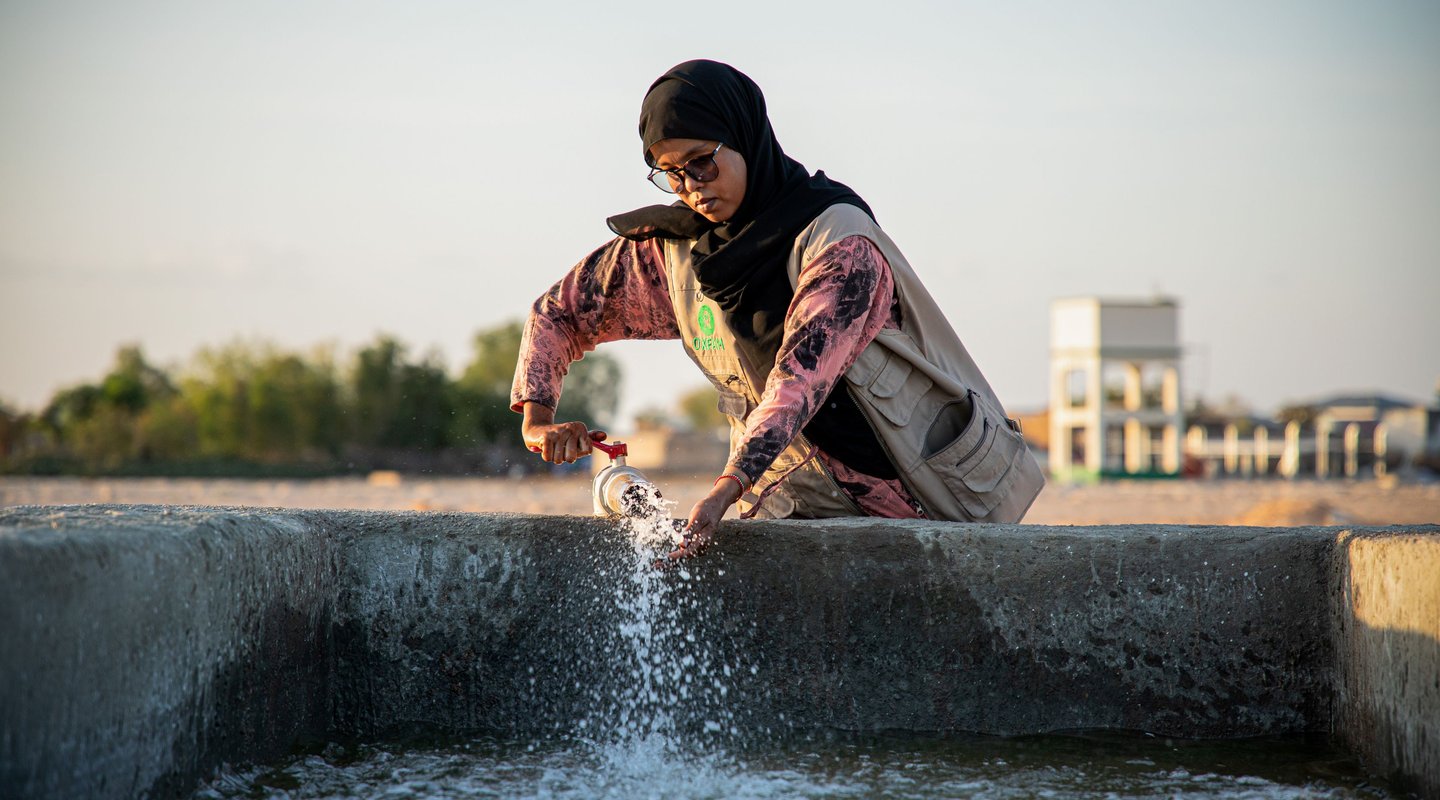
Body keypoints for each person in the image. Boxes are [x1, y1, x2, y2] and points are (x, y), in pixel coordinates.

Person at [512, 60, 1043, 559]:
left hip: (931, 501)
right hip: (797, 507)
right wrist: (538, 421)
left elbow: (798, 381)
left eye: (702, 161)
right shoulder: (676, 254)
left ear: (745, 137)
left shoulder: (840, 241)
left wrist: (724, 490)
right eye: (669, 173)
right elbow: (556, 315)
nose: (691, 186)